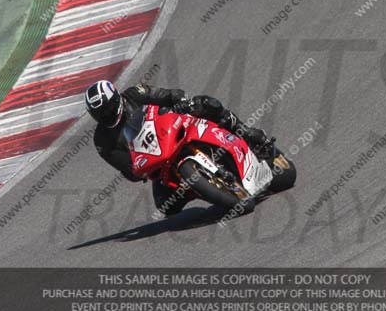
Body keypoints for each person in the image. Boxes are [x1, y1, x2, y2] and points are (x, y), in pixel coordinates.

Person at [84, 79, 272, 216]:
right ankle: (204, 190)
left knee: (206, 104)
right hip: (158, 161)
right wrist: (137, 170)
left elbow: (165, 95)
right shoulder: (102, 140)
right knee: (166, 206)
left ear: (117, 99)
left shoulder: (135, 94)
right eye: (99, 114)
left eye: (108, 110)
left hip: (173, 128)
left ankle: (246, 132)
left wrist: (180, 100)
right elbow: (126, 168)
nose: (106, 116)